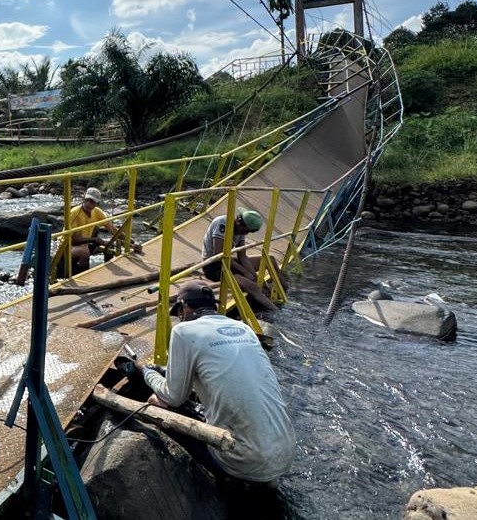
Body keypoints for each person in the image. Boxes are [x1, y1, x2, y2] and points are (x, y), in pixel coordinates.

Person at [138, 281, 297, 484]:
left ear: (185, 307)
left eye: (180, 312)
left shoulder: (183, 331)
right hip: (285, 454)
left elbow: (173, 397)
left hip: (244, 462)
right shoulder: (244, 329)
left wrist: (148, 373)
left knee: (155, 401)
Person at [200, 208, 279, 312]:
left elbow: (242, 256)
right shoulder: (223, 223)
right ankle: (276, 312)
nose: (245, 234)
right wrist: (245, 272)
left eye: (248, 232)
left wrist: (254, 276)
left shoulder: (240, 230)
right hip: (214, 266)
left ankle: (284, 289)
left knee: (270, 261)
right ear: (238, 222)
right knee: (253, 288)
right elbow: (219, 254)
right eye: (245, 231)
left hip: (228, 262)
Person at [58, 187, 138, 275]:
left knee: (109, 247)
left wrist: (129, 241)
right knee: (84, 251)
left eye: (92, 202)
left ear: (96, 203)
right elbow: (71, 239)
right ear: (83, 198)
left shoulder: (96, 212)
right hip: (66, 246)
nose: (88, 203)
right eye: (87, 200)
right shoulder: (74, 212)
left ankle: (108, 272)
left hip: (85, 243)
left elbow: (111, 229)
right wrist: (94, 240)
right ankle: (83, 275)